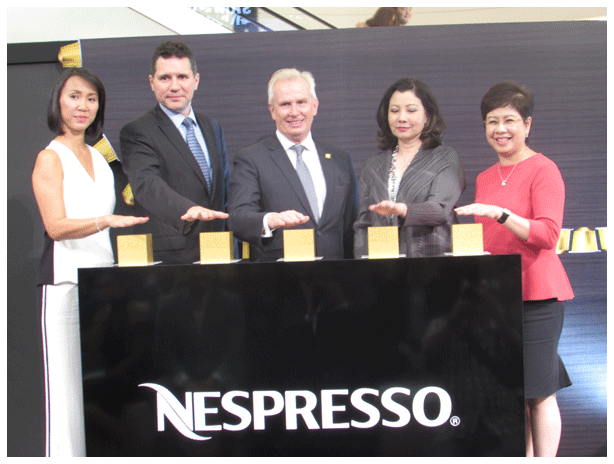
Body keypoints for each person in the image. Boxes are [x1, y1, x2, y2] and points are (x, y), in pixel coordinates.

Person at [31, 68, 149, 456]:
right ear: (58, 102)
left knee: (93, 395)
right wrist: (105, 221)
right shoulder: (50, 157)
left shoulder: (99, 157)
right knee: (65, 396)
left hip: (101, 289)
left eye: (91, 98)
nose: (83, 105)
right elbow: (55, 226)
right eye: (74, 96)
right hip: (65, 285)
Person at [455, 82, 574, 457]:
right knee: (513, 393)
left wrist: (502, 214)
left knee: (539, 392)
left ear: (527, 124)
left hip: (538, 297)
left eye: (509, 120)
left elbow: (548, 234)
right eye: (492, 121)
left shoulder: (543, 169)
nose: (500, 129)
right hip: (498, 299)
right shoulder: (485, 177)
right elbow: (488, 241)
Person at [228, 68, 358, 261]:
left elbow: (351, 225)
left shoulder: (340, 159)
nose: (294, 112)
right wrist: (270, 220)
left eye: (301, 102)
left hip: (334, 273)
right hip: (280, 274)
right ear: (272, 110)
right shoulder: (251, 159)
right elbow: (237, 218)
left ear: (314, 106)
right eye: (285, 104)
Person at [120, 41, 230, 264]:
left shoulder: (212, 127)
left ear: (196, 80)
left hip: (218, 255)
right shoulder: (137, 131)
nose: (174, 86)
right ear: (151, 82)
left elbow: (224, 190)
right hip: (171, 258)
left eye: (182, 77)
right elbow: (147, 186)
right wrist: (189, 210)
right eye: (164, 78)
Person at [353, 77, 465, 258]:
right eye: (394, 111)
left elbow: (439, 210)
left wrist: (402, 210)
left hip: (432, 263)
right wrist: (364, 264)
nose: (401, 118)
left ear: (427, 116)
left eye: (411, 110)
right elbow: (364, 225)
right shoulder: (373, 165)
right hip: (383, 267)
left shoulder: (445, 158)